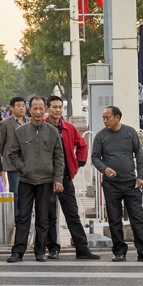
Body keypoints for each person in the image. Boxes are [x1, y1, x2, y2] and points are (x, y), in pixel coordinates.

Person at [92, 106, 143, 262]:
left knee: (137, 218)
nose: (105, 120)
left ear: (117, 118)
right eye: (103, 118)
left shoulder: (129, 132)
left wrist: (140, 176)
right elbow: (95, 158)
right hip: (111, 185)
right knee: (114, 220)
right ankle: (119, 251)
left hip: (130, 184)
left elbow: (139, 155)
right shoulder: (100, 136)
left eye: (108, 117)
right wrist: (104, 169)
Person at [7, 96, 64, 263]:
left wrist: (58, 178)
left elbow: (59, 157)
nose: (38, 112)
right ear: (29, 109)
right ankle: (18, 252)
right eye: (35, 108)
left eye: (41, 108)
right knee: (23, 217)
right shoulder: (21, 131)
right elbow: (13, 154)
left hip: (46, 181)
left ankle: (40, 251)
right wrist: (24, 168)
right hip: (26, 180)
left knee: (43, 218)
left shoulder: (52, 132)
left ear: (45, 109)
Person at [44, 96, 100, 260]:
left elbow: (82, 145)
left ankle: (82, 248)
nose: (58, 110)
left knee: (72, 215)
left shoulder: (68, 127)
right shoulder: (42, 128)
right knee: (49, 216)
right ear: (48, 108)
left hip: (66, 177)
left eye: (60, 107)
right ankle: (52, 248)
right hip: (47, 178)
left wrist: (79, 162)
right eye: (54, 107)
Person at [0, 96, 26, 215]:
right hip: (12, 164)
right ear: (11, 108)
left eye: (23, 106)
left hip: (28, 163)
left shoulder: (29, 122)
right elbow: (1, 144)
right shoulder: (5, 124)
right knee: (15, 190)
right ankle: (15, 215)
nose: (21, 108)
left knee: (27, 191)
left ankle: (26, 213)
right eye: (19, 106)